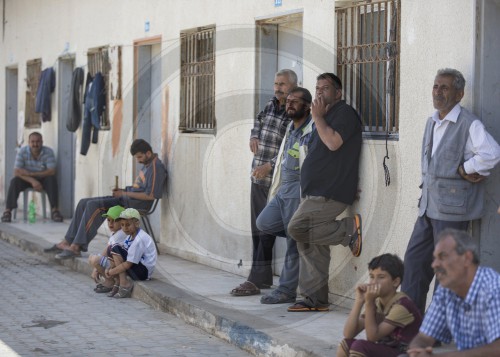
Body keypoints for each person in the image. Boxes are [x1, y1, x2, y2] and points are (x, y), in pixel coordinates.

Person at [401, 68, 500, 314]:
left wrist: (466, 167)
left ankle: (437, 328)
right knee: (414, 263)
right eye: (436, 86)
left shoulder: (468, 123)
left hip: (452, 211)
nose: (438, 92)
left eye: (445, 88)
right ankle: (408, 324)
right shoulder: (432, 121)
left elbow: (491, 153)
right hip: (428, 206)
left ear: (459, 93)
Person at [287, 73, 363, 312]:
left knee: (297, 228)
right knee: (311, 245)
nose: (319, 92)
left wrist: (317, 117)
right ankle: (315, 299)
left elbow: (333, 143)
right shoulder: (324, 117)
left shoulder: (344, 114)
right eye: (317, 88)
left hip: (329, 191)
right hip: (314, 191)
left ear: (338, 93)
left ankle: (348, 231)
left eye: (326, 88)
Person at [230, 69, 297, 296]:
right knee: (256, 229)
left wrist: (269, 165)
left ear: (293, 86)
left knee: (265, 228)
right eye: (276, 83)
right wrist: (253, 135)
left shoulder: (293, 110)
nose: (278, 87)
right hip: (257, 177)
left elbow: (290, 146)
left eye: (283, 84)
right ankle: (263, 277)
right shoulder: (270, 104)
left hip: (274, 179)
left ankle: (256, 280)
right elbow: (258, 121)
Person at [44, 139, 166, 259]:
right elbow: (139, 189)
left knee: (94, 205)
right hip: (125, 199)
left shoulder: (156, 168)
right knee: (83, 202)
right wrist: (122, 191)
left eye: (139, 157)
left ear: (148, 153)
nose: (138, 161)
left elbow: (151, 195)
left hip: (135, 205)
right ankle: (67, 241)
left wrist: (125, 193)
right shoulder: (147, 165)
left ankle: (77, 246)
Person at [256, 87, 314, 304]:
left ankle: (286, 290)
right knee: (263, 223)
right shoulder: (290, 127)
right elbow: (282, 157)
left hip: (298, 191)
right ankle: (303, 235)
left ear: (307, 106)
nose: (289, 104)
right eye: (288, 100)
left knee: (292, 242)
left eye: (295, 101)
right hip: (283, 188)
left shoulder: (313, 129)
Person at [403, 229, 500, 356]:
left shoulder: (493, 288)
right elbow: (424, 337)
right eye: (434, 259)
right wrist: (417, 350)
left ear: (467, 258)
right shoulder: (446, 291)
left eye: (443, 256)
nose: (434, 264)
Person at [337, 254, 422, 357]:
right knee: (346, 344)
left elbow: (372, 337)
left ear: (395, 282)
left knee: (360, 346)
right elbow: (348, 334)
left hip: (405, 353)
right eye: (372, 277)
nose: (374, 282)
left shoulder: (402, 305)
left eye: (381, 277)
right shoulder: (377, 302)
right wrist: (359, 301)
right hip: (387, 350)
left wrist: (369, 303)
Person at [1, 132, 63, 223]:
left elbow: (51, 171)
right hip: (26, 179)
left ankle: (55, 211)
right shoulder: (22, 152)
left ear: (42, 142)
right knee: (14, 181)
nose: (35, 144)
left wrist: (31, 174)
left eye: (38, 141)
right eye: (32, 142)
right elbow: (17, 172)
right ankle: (7, 211)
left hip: (42, 178)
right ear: (28, 142)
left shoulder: (48, 152)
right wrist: (33, 180)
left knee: (51, 180)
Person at [105, 208, 158, 298]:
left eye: (128, 225)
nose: (125, 228)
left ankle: (124, 283)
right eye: (122, 225)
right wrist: (111, 268)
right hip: (138, 267)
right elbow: (122, 254)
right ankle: (118, 281)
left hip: (143, 272)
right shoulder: (130, 236)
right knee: (111, 249)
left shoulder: (139, 239)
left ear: (137, 224)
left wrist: (111, 272)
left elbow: (128, 264)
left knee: (115, 248)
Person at [88, 205, 127, 293]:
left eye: (114, 221)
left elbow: (107, 251)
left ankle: (110, 282)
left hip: (121, 264)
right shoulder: (115, 233)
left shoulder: (121, 234)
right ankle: (109, 280)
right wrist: (96, 267)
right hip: (116, 262)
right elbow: (106, 250)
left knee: (95, 259)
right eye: (109, 220)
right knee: (92, 258)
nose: (110, 224)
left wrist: (96, 267)